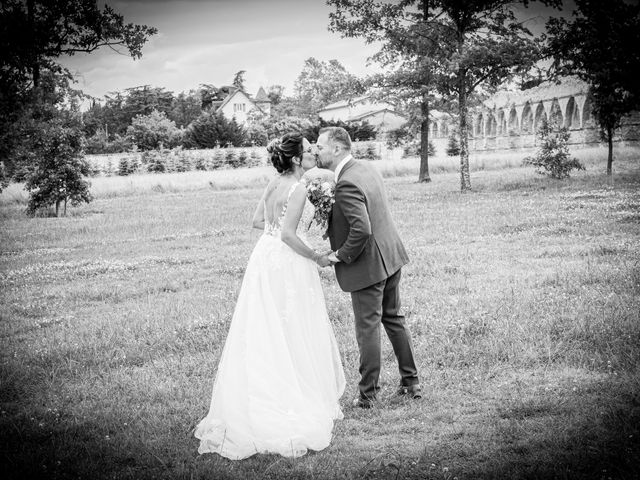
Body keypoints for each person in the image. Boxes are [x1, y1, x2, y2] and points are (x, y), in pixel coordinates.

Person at [195, 132, 345, 460]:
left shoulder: (274, 182)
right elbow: (291, 235)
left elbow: (258, 222)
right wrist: (317, 256)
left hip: (264, 258)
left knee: (266, 325)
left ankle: (267, 388)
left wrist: (277, 234)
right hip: (289, 264)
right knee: (294, 326)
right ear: (295, 159)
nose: (312, 155)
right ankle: (293, 397)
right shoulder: (300, 186)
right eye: (307, 151)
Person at [315, 126, 420, 409]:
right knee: (394, 318)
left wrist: (336, 256)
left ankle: (368, 395)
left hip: (369, 266)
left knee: (367, 329)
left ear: (337, 149)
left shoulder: (347, 182)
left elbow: (361, 230)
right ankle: (411, 382)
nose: (316, 151)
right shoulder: (365, 169)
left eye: (320, 146)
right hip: (390, 256)